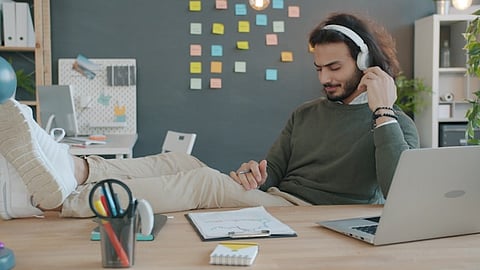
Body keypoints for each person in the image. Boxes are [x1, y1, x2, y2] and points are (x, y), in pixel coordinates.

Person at [0, 12, 419, 220]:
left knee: (201, 180)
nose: (324, 79)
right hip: (275, 200)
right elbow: (273, 169)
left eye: (335, 68)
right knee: (182, 162)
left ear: (366, 64)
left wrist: (382, 109)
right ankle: (72, 169)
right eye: (319, 69)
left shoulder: (393, 124)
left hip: (311, 217)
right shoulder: (307, 114)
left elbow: (401, 193)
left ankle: (69, 203)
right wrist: (255, 174)